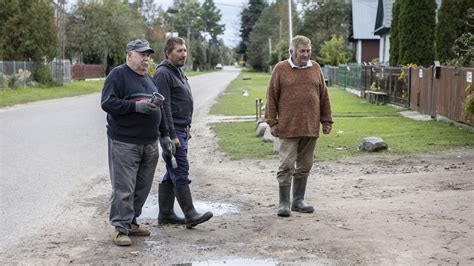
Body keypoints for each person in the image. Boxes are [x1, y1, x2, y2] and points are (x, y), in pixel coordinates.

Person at [101, 39, 175, 246]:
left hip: (150, 144)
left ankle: (131, 222)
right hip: (125, 142)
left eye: (148, 55)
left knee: (142, 188)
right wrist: (136, 108)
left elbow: (159, 109)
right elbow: (107, 103)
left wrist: (165, 135)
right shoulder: (118, 74)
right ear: (129, 54)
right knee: (124, 188)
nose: (146, 58)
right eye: (142, 54)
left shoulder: (149, 79)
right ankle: (120, 229)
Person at [265, 35, 333, 217]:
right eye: (302, 51)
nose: (305, 54)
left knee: (305, 165)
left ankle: (298, 201)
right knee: (286, 164)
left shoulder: (316, 68)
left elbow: (324, 96)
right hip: (287, 127)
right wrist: (272, 122)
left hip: (310, 126)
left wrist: (326, 120)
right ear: (292, 51)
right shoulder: (281, 69)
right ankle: (284, 203)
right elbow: (271, 97)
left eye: (308, 51)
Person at [153, 37, 213, 228]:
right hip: (172, 133)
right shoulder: (163, 74)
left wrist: (186, 128)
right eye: (179, 51)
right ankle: (190, 214)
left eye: (185, 50)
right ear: (168, 53)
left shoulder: (178, 71)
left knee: (172, 170)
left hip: (181, 130)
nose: (184, 54)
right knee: (180, 169)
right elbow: (164, 107)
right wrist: (171, 135)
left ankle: (166, 213)